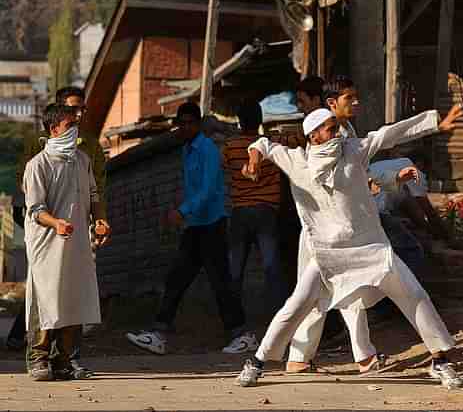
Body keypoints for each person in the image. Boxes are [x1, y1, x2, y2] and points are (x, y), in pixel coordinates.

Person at [236, 105, 463, 389]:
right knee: (296, 306)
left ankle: (440, 360)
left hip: (371, 248)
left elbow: (388, 135)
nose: (339, 133)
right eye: (332, 128)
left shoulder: (353, 150)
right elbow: (262, 144)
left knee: (415, 295)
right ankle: (257, 363)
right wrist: (255, 159)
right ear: (314, 136)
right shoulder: (297, 160)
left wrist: (434, 124)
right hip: (327, 255)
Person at [126, 102, 247, 355]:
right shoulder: (187, 150)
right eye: (182, 123)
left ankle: (241, 335)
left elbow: (208, 189)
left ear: (199, 124)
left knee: (220, 282)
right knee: (177, 279)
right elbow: (192, 188)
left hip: (212, 223)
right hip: (196, 225)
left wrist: (182, 211)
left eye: (191, 122)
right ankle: (159, 334)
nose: (186, 127)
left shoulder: (207, 150)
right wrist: (184, 211)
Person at [286, 76, 385, 375]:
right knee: (344, 289)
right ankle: (363, 356)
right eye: (349, 98)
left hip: (337, 227)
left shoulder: (345, 131)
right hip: (323, 230)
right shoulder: (323, 134)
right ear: (331, 103)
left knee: (322, 293)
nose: (355, 103)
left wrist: (368, 182)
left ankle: (299, 357)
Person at [10, 87, 109, 379]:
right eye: (69, 125)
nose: (74, 130)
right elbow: (35, 208)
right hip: (46, 241)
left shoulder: (82, 160)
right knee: (46, 294)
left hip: (76, 239)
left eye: (76, 125)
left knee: (73, 296)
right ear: (54, 129)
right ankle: (38, 358)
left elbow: (93, 195)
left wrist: (100, 220)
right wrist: (57, 223)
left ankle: (63, 360)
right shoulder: (37, 164)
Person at [221, 101, 289, 353]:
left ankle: (235, 330)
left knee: (234, 273)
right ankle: (283, 329)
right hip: (267, 213)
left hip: (240, 213)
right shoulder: (270, 145)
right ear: (260, 120)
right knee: (273, 271)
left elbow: (223, 170)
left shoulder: (229, 146)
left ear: (239, 122)